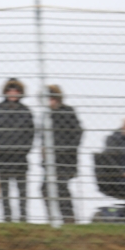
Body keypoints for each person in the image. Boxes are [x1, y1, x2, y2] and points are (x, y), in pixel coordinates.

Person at [0, 78, 35, 222]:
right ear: (5, 92)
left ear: (20, 93)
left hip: (20, 158)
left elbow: (30, 134)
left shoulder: (26, 111)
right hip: (2, 157)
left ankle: (23, 218)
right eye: (10, 90)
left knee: (22, 191)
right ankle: (7, 218)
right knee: (4, 191)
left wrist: (24, 150)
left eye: (16, 91)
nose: (13, 93)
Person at [42, 85, 83, 224]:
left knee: (60, 187)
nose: (50, 102)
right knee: (45, 188)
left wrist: (65, 149)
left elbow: (78, 133)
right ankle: (52, 218)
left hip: (66, 160)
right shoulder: (46, 115)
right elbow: (43, 138)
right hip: (50, 161)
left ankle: (69, 219)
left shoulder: (68, 112)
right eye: (47, 99)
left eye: (52, 98)